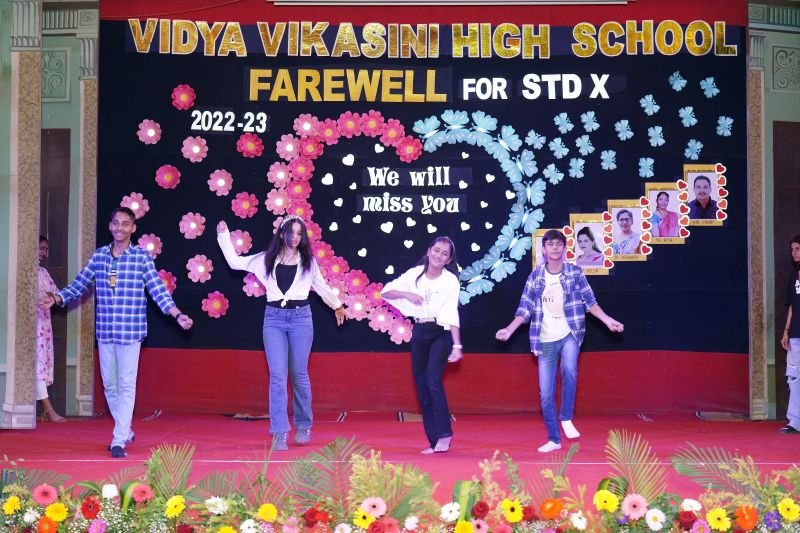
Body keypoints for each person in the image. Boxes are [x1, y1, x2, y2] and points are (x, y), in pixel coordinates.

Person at [44, 207, 193, 457]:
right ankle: (125, 429)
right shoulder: (100, 256)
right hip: (105, 332)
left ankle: (119, 439)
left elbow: (158, 291)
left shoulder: (141, 258)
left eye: (125, 224)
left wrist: (177, 314)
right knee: (110, 387)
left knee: (126, 384)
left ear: (133, 228)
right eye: (115, 223)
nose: (119, 228)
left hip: (131, 331)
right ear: (110, 226)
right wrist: (57, 298)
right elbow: (80, 284)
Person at [216, 215, 346, 451]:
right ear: (282, 233)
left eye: (299, 233)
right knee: (277, 376)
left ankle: (304, 425)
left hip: (301, 319)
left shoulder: (308, 261)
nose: (295, 237)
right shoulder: (265, 258)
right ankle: (279, 432)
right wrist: (223, 235)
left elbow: (321, 286)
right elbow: (235, 263)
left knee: (299, 374)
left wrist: (336, 305)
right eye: (291, 232)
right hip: (274, 319)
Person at [495, 229, 624, 453]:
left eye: (558, 244)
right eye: (550, 244)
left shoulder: (575, 272)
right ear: (544, 249)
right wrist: (508, 329)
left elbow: (590, 303)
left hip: (570, 333)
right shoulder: (535, 276)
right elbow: (524, 309)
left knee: (569, 369)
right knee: (546, 393)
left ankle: (566, 417)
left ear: (564, 248)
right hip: (545, 339)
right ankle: (554, 439)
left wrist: (608, 320)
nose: (554, 248)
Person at [381, 236, 463, 454]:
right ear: (429, 251)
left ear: (449, 260)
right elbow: (386, 291)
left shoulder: (450, 281)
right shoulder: (415, 274)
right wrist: (407, 293)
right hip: (420, 331)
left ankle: (445, 434)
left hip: (441, 332)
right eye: (436, 250)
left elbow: (451, 312)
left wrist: (457, 345)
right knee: (422, 386)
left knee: (433, 381)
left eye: (444, 254)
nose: (439, 256)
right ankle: (434, 441)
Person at [36, 235, 65, 423]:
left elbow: (56, 294)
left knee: (42, 363)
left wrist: (51, 297)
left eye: (45, 249)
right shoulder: (25, 271)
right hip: (29, 325)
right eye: (41, 248)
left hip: (44, 324)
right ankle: (49, 409)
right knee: (36, 364)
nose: (43, 253)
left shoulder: (43, 272)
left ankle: (43, 410)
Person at [779, 235, 800, 435]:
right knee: (793, 378)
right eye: (792, 249)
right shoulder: (794, 276)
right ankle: (795, 421)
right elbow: (793, 306)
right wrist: (786, 331)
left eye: (798, 249)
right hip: (795, 334)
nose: (794, 253)